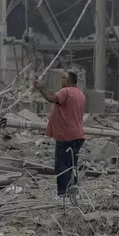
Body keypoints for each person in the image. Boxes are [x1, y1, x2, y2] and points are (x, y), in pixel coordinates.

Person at [33, 71, 86, 199]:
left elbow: (51, 98)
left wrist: (40, 88)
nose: (61, 80)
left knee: (62, 165)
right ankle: (72, 192)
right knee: (72, 165)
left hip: (66, 135)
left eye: (63, 78)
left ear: (68, 80)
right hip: (78, 135)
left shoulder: (66, 91)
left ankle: (62, 193)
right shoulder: (80, 94)